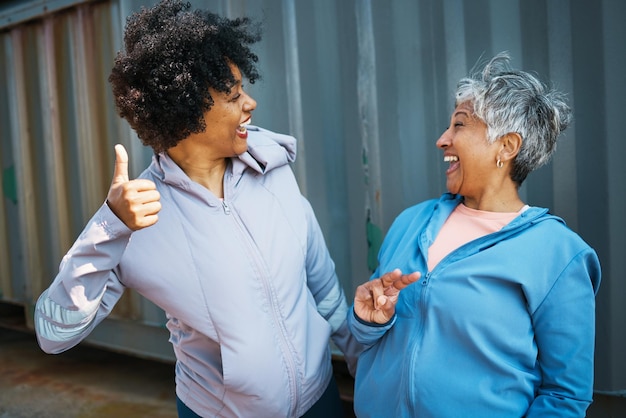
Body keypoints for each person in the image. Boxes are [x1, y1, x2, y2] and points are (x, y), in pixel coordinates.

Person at [33, 1, 361, 417]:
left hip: (320, 400)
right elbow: (52, 333)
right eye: (233, 94)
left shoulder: (272, 164)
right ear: (186, 110)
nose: (251, 103)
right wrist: (108, 228)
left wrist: (362, 366)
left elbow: (324, 287)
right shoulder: (134, 219)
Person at [348, 52, 601, 418]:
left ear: (507, 146)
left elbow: (564, 396)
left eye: (460, 126)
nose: (442, 140)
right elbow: (367, 338)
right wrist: (370, 320)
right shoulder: (411, 221)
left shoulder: (559, 255)